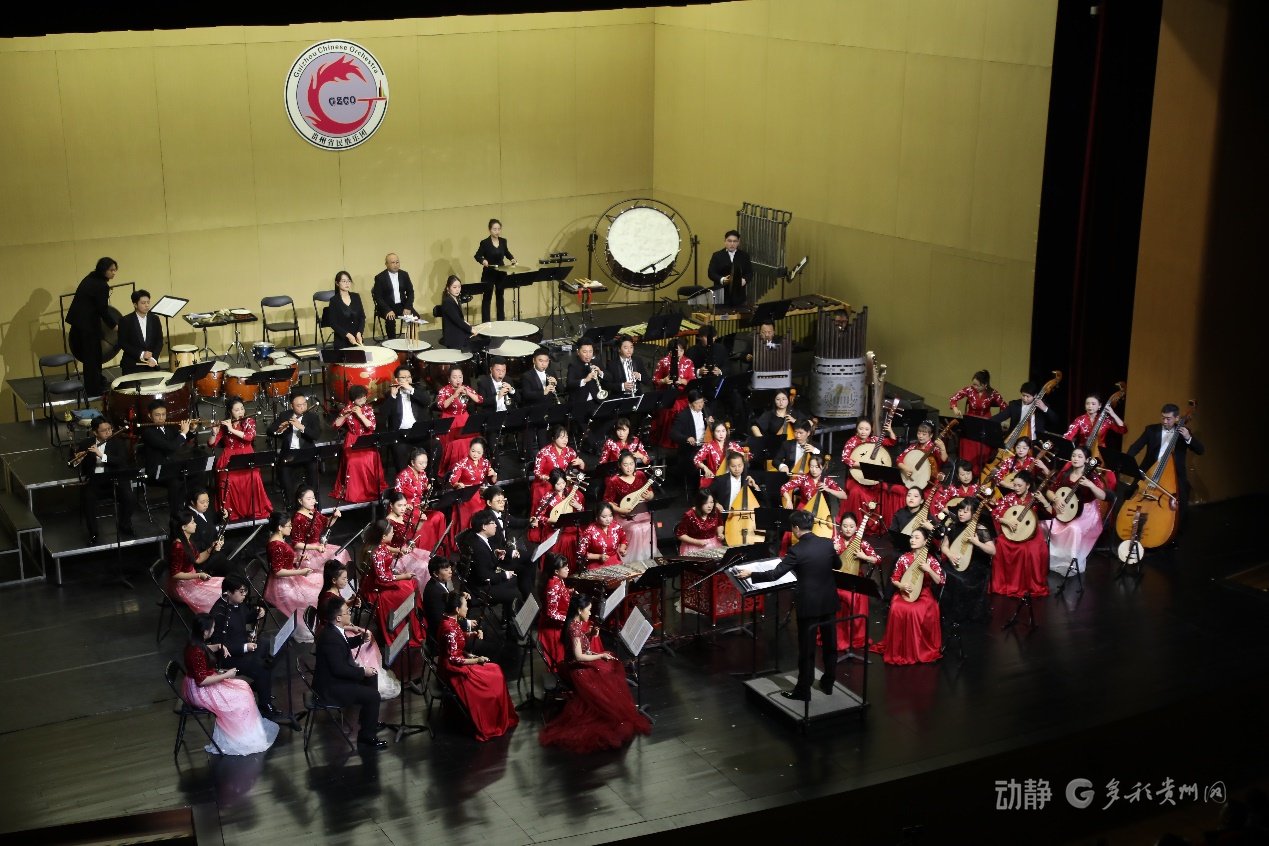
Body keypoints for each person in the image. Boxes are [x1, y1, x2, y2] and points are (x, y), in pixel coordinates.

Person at [736, 511, 839, 700]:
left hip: (808, 605)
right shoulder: (827, 543)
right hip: (829, 601)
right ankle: (828, 683)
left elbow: (775, 574)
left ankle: (803, 690)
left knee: (807, 649)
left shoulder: (797, 551)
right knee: (830, 645)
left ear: (796, 528)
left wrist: (752, 574)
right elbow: (837, 565)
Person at [539, 592, 651, 752]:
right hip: (577, 670)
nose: (590, 613)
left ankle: (615, 707)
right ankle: (614, 710)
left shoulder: (574, 624)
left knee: (610, 667)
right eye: (589, 610)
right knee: (606, 673)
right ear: (580, 610)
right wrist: (600, 655)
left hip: (575, 665)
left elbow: (578, 644)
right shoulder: (574, 629)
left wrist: (589, 635)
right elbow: (579, 656)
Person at [184, 614, 279, 755]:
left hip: (202, 683)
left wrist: (217, 646)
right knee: (239, 697)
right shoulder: (196, 651)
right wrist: (226, 675)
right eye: (212, 628)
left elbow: (204, 650)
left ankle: (245, 734)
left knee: (243, 687)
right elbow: (202, 681)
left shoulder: (196, 642)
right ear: (205, 631)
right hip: (200, 690)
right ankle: (239, 738)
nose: (214, 630)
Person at [437, 592, 519, 741]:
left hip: (458, 663)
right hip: (454, 672)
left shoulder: (450, 621)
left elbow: (457, 639)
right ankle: (492, 720)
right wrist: (477, 659)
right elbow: (454, 658)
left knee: (496, 670)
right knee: (493, 680)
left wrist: (472, 634)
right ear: (457, 609)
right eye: (465, 605)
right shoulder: (449, 628)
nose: (467, 608)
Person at [313, 595, 387, 749]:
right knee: (373, 696)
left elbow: (344, 645)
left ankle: (368, 721)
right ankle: (367, 737)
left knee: (372, 677)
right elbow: (339, 670)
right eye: (347, 612)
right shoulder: (331, 638)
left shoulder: (334, 630)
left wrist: (360, 639)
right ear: (338, 618)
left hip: (334, 680)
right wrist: (362, 671)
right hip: (330, 689)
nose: (349, 614)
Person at [319, 562, 401, 700]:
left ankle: (371, 674)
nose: (346, 581)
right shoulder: (327, 598)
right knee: (366, 638)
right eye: (344, 578)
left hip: (341, 626)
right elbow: (330, 622)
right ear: (333, 580)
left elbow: (340, 609)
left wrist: (350, 603)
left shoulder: (334, 591)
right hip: (333, 631)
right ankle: (365, 674)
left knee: (367, 635)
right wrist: (353, 627)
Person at [209, 575, 280, 717]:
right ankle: (265, 705)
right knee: (262, 668)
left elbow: (244, 617)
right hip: (230, 657)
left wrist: (256, 613)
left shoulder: (238, 602)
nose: (244, 595)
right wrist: (244, 647)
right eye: (241, 591)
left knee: (274, 645)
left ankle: (261, 685)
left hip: (244, 645)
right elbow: (218, 645)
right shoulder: (219, 614)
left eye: (245, 591)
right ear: (228, 592)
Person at [876, 528, 945, 665]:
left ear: (925, 542)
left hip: (924, 593)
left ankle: (916, 649)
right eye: (912, 537)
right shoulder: (904, 558)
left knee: (915, 611)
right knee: (896, 607)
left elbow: (941, 581)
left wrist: (929, 570)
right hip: (905, 591)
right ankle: (898, 649)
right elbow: (894, 578)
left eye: (917, 538)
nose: (912, 540)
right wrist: (901, 586)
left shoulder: (931, 560)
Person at [1124, 402, 1205, 518]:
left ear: (1177, 418)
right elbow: (1135, 447)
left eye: (1168, 419)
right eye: (1163, 418)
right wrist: (1126, 461)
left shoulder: (1184, 433)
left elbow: (1200, 450)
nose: (1165, 421)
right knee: (1129, 493)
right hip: (1150, 472)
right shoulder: (1151, 430)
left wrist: (1188, 437)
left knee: (1181, 503)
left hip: (1174, 475)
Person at [1043, 445, 1111, 574]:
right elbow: (1049, 492)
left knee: (1073, 529)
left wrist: (1090, 485)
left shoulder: (1091, 476)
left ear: (1087, 460)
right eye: (1074, 456)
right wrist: (1056, 499)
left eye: (1080, 456)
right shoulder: (1065, 474)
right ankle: (1053, 557)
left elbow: (1103, 496)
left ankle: (1070, 562)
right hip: (1065, 509)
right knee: (1046, 523)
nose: (1075, 458)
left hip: (1086, 513)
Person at [357, 520, 423, 647]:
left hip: (381, 581)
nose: (393, 535)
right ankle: (404, 628)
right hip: (376, 588)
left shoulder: (378, 545)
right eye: (391, 533)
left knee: (412, 584)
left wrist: (398, 550)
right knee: (408, 590)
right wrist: (403, 576)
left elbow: (386, 549)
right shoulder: (376, 553)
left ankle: (415, 623)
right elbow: (383, 578)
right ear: (383, 537)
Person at [262, 511, 323, 642]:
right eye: (289, 525)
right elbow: (278, 571)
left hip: (288, 578)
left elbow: (282, 561)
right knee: (311, 594)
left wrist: (296, 560)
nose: (291, 528)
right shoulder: (275, 545)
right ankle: (307, 626)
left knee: (318, 583)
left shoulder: (279, 540)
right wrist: (300, 572)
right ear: (280, 527)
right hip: (281, 585)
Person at [989, 471, 1051, 598]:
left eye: (1019, 485)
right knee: (1001, 544)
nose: (1016, 488)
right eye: (1014, 485)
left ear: (1028, 485)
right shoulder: (1009, 497)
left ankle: (1029, 586)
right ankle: (1006, 583)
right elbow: (995, 514)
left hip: (1031, 533)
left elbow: (1052, 513)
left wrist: (1044, 501)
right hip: (1012, 532)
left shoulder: (1034, 497)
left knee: (1031, 550)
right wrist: (1007, 521)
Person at [209, 399, 272, 521]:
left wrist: (231, 429)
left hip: (246, 454)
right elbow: (212, 444)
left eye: (242, 408)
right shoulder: (225, 424)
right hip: (229, 457)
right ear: (230, 412)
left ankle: (254, 510)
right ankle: (229, 512)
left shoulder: (249, 421)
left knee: (254, 476)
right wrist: (213, 433)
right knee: (225, 478)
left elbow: (249, 437)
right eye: (237, 410)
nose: (241, 412)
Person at [76, 416, 136, 543]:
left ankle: (124, 524)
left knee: (129, 497)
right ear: (95, 432)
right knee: (88, 498)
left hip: (115, 480)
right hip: (95, 482)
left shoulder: (118, 443)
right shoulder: (86, 444)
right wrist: (78, 460)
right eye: (104, 430)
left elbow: (121, 461)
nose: (108, 432)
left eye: (110, 429)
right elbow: (73, 463)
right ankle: (93, 533)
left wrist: (101, 455)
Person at [66, 257, 118, 397]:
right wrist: (113, 325)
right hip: (87, 325)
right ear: (103, 269)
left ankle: (98, 381)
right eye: (111, 270)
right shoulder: (101, 286)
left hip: (80, 323)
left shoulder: (90, 277)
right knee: (92, 358)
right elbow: (103, 310)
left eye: (115, 270)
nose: (114, 273)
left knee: (94, 355)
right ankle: (93, 390)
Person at [939, 498, 995, 624]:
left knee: (960, 580)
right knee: (942, 573)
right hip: (956, 559)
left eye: (965, 511)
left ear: (974, 514)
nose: (961, 514)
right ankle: (943, 611)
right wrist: (950, 555)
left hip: (976, 565)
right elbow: (944, 546)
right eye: (960, 510)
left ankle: (960, 615)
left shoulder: (980, 529)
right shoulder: (953, 525)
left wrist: (977, 543)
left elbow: (992, 551)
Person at [830, 512, 880, 651]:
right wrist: (831, 552)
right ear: (840, 527)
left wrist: (865, 557)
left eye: (851, 526)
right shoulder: (834, 541)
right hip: (837, 580)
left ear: (856, 527)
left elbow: (877, 559)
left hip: (855, 581)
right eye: (845, 526)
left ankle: (854, 636)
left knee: (855, 596)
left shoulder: (862, 543)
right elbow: (823, 559)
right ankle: (837, 636)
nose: (848, 529)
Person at [331, 385, 385, 503]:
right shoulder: (347, 409)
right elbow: (335, 425)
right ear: (353, 399)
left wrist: (360, 414)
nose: (362, 399)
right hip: (352, 439)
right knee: (353, 461)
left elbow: (372, 426)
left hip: (367, 439)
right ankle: (355, 491)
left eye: (364, 397)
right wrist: (345, 415)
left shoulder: (368, 409)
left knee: (369, 458)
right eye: (359, 398)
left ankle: (370, 488)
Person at [839, 417, 897, 525]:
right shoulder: (852, 441)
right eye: (861, 428)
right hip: (856, 478)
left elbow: (892, 442)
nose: (863, 432)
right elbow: (845, 458)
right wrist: (862, 466)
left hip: (872, 477)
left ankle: (878, 522)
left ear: (871, 430)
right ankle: (857, 522)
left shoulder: (874, 440)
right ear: (856, 429)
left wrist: (890, 430)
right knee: (856, 492)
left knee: (883, 488)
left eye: (867, 429)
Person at [138, 399, 192, 515]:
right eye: (157, 415)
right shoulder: (148, 433)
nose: (161, 418)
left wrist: (190, 429)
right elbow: (171, 446)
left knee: (194, 475)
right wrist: (183, 433)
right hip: (155, 472)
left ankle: (185, 507)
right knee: (175, 482)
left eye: (163, 414)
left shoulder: (169, 428)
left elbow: (181, 439)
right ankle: (176, 514)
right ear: (150, 416)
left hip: (171, 468)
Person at [466, 508, 523, 614]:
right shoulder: (479, 548)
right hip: (481, 589)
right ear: (484, 527)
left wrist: (495, 553)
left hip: (483, 579)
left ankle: (507, 617)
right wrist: (505, 575)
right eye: (493, 523)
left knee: (515, 580)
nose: (496, 525)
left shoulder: (478, 538)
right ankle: (509, 620)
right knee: (516, 594)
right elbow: (484, 577)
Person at [948, 370, 1005, 477]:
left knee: (982, 445)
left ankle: (977, 473)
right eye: (973, 384)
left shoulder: (993, 393)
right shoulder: (969, 390)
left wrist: (995, 420)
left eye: (977, 385)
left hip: (984, 424)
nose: (974, 386)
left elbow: (1004, 407)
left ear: (985, 385)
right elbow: (953, 398)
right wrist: (955, 408)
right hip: (970, 422)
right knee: (967, 442)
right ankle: (964, 472)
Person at [604, 451, 658, 562]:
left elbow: (650, 493)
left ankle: (647, 556)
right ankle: (633, 559)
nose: (629, 468)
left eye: (631, 464)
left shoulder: (640, 475)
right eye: (625, 465)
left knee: (650, 526)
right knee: (635, 529)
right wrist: (620, 510)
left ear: (635, 464)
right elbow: (607, 502)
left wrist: (649, 496)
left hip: (641, 511)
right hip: (623, 514)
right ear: (620, 465)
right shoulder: (614, 481)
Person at [168, 510, 225, 614]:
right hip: (182, 587)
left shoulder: (187, 541)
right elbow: (175, 574)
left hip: (192, 580)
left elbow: (197, 559)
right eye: (193, 522)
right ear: (183, 527)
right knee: (219, 595)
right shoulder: (178, 546)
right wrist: (198, 575)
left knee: (226, 585)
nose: (195, 524)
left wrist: (211, 548)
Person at [393, 448, 448, 554]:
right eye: (421, 463)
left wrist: (428, 488)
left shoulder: (422, 474)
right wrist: (406, 506)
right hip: (405, 509)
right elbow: (397, 496)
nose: (424, 465)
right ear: (412, 462)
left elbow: (423, 490)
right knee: (425, 522)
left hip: (418, 507)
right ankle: (422, 553)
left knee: (439, 515)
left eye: (425, 462)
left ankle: (438, 550)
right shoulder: (403, 476)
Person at [380, 366, 432, 478]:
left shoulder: (418, 390)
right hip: (400, 435)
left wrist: (411, 390)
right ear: (397, 380)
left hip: (419, 433)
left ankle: (431, 480)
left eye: (409, 377)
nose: (407, 379)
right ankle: (405, 482)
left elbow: (427, 401)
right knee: (400, 450)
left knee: (436, 445)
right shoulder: (390, 394)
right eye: (403, 377)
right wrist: (393, 396)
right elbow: (383, 414)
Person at [528, 469, 585, 566]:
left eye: (563, 483)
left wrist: (578, 506)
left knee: (575, 537)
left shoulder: (571, 493)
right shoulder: (548, 497)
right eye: (558, 484)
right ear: (552, 484)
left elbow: (581, 513)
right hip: (554, 528)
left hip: (569, 527)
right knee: (562, 539)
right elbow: (539, 516)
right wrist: (552, 520)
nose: (562, 486)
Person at [447, 438, 496, 548]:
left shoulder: (485, 463)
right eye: (473, 451)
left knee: (493, 505)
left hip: (480, 494)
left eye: (479, 452)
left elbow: (492, 481)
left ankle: (487, 539)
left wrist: (494, 474)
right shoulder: (462, 464)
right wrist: (458, 485)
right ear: (469, 449)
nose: (475, 454)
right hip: (466, 495)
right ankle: (470, 542)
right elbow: (452, 481)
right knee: (475, 510)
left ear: (483, 453)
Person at [271, 392, 320, 501]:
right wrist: (280, 430)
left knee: (313, 469)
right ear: (291, 406)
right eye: (299, 405)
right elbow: (270, 431)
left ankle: (313, 501)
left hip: (307, 452)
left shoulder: (313, 417)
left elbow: (316, 435)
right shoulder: (284, 415)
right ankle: (290, 503)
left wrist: (301, 427)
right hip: (289, 453)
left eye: (304, 404)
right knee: (284, 472)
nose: (302, 407)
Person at [436, 364, 484, 475]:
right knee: (455, 444)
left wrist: (468, 392)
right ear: (449, 379)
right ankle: (453, 471)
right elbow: (441, 405)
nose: (458, 380)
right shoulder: (444, 390)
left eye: (460, 377)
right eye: (454, 377)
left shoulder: (465, 388)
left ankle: (471, 468)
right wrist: (454, 395)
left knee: (470, 441)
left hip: (464, 418)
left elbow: (480, 400)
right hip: (449, 420)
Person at [385, 490, 432, 595]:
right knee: (423, 567)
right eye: (399, 505)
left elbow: (413, 531)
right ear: (391, 505)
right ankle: (423, 596)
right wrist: (398, 550)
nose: (403, 508)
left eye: (404, 505)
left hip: (406, 550)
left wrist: (421, 521)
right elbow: (382, 546)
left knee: (430, 558)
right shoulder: (388, 522)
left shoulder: (404, 516)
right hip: (395, 556)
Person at [651, 338, 696, 448]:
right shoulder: (664, 362)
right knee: (671, 407)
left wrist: (683, 381)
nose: (679, 353)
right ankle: (667, 442)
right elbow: (655, 379)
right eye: (676, 351)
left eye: (681, 350)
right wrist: (664, 381)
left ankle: (684, 440)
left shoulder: (688, 362)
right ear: (670, 351)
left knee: (683, 407)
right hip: (667, 394)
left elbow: (693, 380)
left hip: (683, 395)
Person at [291, 486, 349, 569]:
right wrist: (315, 547)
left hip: (318, 546)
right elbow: (296, 544)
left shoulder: (313, 511)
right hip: (306, 552)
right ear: (300, 501)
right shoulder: (298, 518)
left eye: (313, 498)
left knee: (341, 552)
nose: (313, 501)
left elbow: (327, 523)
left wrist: (334, 516)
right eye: (309, 499)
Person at [473, 219, 517, 323]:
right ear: (490, 230)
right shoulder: (485, 243)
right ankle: (486, 322)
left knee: (500, 296)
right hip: (489, 273)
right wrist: (483, 260)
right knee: (487, 297)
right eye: (494, 229)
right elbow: (477, 256)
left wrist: (512, 258)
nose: (497, 231)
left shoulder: (503, 241)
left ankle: (501, 321)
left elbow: (506, 252)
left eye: (498, 229)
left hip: (501, 272)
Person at [532, 424, 585, 510]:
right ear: (553, 438)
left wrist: (581, 463)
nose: (565, 440)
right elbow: (537, 472)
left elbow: (580, 471)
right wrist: (550, 478)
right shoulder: (544, 452)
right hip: (546, 483)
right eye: (562, 437)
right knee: (548, 498)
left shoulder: (570, 451)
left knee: (579, 496)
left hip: (562, 483)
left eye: (566, 437)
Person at [518, 347, 558, 456]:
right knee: (529, 437)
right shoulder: (527, 376)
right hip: (532, 410)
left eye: (546, 361)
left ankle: (545, 457)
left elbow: (562, 389)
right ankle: (527, 458)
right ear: (534, 361)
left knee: (543, 436)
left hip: (546, 409)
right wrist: (543, 392)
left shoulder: (551, 372)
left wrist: (556, 383)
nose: (543, 364)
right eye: (540, 361)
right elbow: (526, 395)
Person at [537, 553, 574, 672]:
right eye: (565, 567)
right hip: (554, 627)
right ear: (556, 571)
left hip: (561, 619)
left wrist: (569, 591)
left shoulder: (558, 579)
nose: (568, 569)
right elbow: (551, 614)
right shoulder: (552, 586)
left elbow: (559, 594)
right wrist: (570, 619)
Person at [989, 381, 1054, 446]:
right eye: (1023, 395)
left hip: (1035, 442)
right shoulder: (1014, 405)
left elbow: (1055, 420)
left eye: (1028, 396)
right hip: (1015, 439)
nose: (1025, 399)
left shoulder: (1041, 405)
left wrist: (1045, 408)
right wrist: (986, 422)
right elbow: (1000, 417)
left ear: (1035, 396)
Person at [117, 289, 163, 376]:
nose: (147, 305)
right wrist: (141, 354)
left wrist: (154, 358)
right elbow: (122, 343)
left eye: (148, 302)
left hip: (151, 363)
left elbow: (159, 341)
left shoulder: (155, 319)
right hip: (132, 364)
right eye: (143, 303)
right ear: (135, 304)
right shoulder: (125, 320)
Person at [371, 252, 415, 340]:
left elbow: (410, 292)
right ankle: (392, 342)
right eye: (392, 262)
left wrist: (408, 307)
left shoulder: (404, 275)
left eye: (397, 262)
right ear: (386, 264)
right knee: (390, 319)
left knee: (415, 317)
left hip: (402, 305)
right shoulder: (380, 278)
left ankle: (411, 340)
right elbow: (378, 297)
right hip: (386, 306)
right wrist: (387, 310)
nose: (396, 265)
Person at [187, 489, 231, 575]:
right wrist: (213, 547)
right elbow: (195, 544)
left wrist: (221, 514)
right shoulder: (188, 518)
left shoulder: (203, 509)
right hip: (205, 555)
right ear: (192, 502)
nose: (206, 505)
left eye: (207, 501)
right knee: (227, 565)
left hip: (214, 546)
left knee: (237, 549)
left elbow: (211, 520)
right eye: (202, 502)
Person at [706, 229, 754, 307]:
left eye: (735, 241)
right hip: (721, 296)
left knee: (741, 314)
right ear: (725, 241)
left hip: (739, 297)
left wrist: (744, 280)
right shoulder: (717, 255)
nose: (732, 244)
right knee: (720, 314)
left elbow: (749, 273)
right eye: (729, 241)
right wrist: (722, 279)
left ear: (738, 242)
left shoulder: (744, 256)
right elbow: (711, 273)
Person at [576, 502, 628, 571]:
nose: (608, 519)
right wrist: (599, 556)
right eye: (604, 517)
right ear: (597, 517)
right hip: (596, 565)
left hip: (615, 561)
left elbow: (623, 540)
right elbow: (581, 553)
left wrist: (622, 549)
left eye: (610, 516)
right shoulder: (590, 531)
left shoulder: (616, 526)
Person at [421, 556, 459, 648]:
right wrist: (466, 624)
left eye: (449, 568)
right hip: (443, 638)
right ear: (435, 573)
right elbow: (441, 621)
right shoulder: (435, 592)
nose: (450, 571)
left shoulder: (438, 584)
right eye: (446, 570)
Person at [325, 270, 365, 350]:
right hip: (342, 340)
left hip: (357, 338)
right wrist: (348, 335)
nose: (347, 283)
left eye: (349, 281)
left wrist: (359, 332)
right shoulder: (334, 300)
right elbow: (333, 323)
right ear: (337, 283)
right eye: (343, 281)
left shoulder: (356, 296)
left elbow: (362, 317)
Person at [439, 274, 479, 350]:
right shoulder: (447, 301)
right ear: (448, 288)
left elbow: (459, 318)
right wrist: (470, 329)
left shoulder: (456, 299)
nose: (457, 289)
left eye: (459, 287)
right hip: (453, 336)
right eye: (454, 287)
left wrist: (467, 324)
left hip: (458, 331)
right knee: (476, 340)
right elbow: (457, 320)